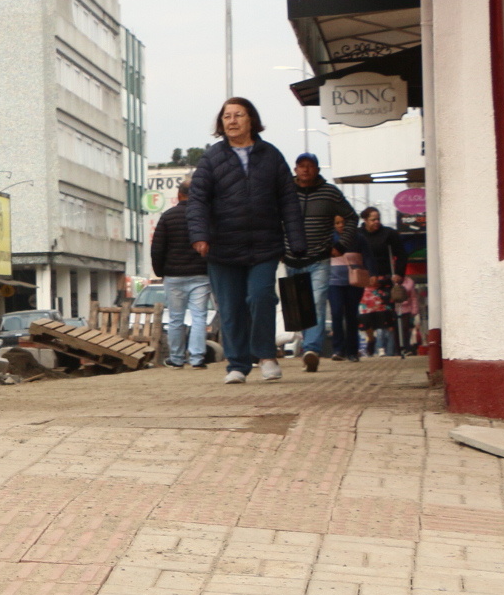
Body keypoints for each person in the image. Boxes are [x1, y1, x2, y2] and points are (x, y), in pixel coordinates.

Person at [187, 97, 305, 384]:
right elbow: (198, 199)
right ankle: (238, 364)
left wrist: (296, 239)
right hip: (223, 247)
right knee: (230, 307)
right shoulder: (212, 158)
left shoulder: (271, 155)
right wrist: (200, 235)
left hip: (264, 244)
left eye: (238, 115)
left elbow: (288, 200)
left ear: (251, 119)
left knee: (261, 297)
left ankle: (266, 356)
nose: (232, 121)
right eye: (227, 116)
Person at [282, 154, 356, 373]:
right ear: (295, 169)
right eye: (302, 166)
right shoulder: (285, 192)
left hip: (319, 258)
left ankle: (311, 349)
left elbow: (351, 217)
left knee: (315, 301)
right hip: (290, 258)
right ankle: (308, 346)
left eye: (310, 166)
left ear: (317, 169)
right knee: (297, 307)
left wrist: (341, 245)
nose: (306, 170)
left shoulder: (330, 193)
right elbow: (271, 217)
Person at [149, 181, 210, 368]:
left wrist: (161, 272)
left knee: (176, 317)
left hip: (174, 275)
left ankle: (176, 358)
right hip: (201, 274)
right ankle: (197, 358)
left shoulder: (167, 217)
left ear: (179, 195)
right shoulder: (204, 217)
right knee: (199, 316)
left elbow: (157, 248)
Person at [326, 214, 364, 362]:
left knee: (352, 315)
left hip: (354, 283)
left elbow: (368, 257)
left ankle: (352, 351)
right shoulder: (329, 239)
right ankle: (338, 350)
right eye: (337, 223)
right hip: (333, 283)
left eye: (343, 222)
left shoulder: (359, 238)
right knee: (336, 312)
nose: (340, 225)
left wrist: (372, 274)